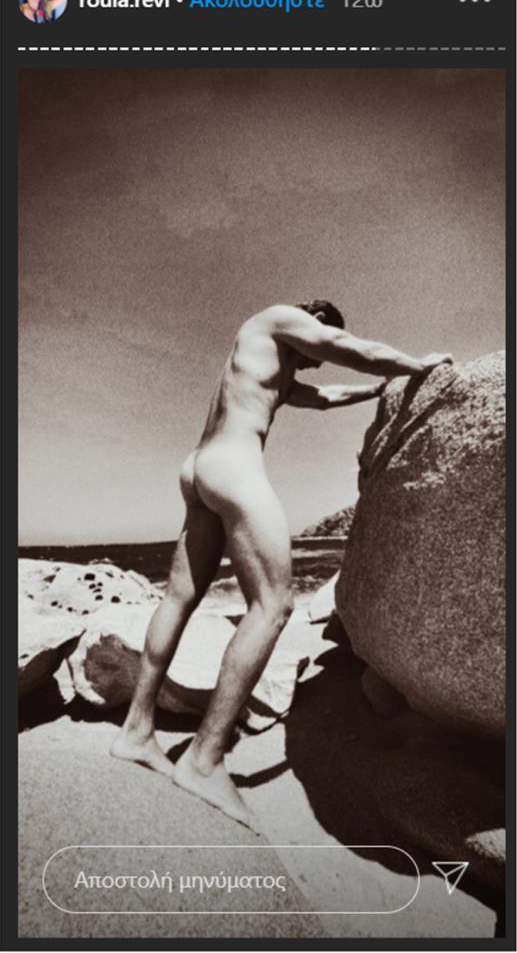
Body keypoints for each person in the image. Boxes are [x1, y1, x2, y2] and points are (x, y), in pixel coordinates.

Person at [111, 301, 453, 827]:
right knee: (273, 606)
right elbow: (354, 350)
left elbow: (326, 397)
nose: (314, 362)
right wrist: (418, 365)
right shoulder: (278, 318)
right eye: (315, 349)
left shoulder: (264, 362)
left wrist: (377, 391)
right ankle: (204, 759)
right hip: (234, 465)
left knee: (179, 597)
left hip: (199, 467)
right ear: (312, 322)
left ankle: (136, 731)